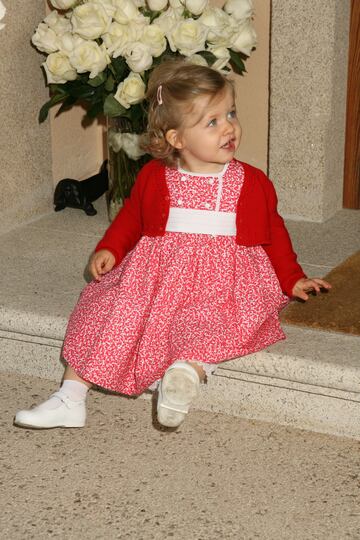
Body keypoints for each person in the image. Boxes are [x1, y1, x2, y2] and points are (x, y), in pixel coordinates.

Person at [15, 60, 331, 430]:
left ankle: (184, 375)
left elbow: (273, 231)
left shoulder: (251, 182)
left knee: (208, 323)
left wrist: (291, 277)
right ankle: (70, 397)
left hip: (226, 278)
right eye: (212, 122)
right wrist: (111, 249)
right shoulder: (155, 176)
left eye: (230, 113)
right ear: (177, 139)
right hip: (159, 272)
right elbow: (132, 217)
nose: (228, 127)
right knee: (108, 310)